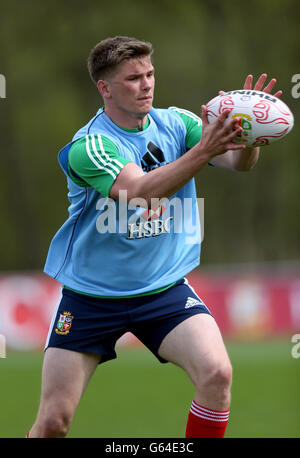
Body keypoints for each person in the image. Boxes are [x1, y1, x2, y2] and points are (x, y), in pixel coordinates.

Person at [27, 36, 282, 438]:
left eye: (149, 74)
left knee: (217, 374)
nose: (146, 84)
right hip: (91, 297)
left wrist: (249, 135)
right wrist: (202, 152)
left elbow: (237, 163)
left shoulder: (177, 123)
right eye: (132, 78)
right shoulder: (91, 146)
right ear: (105, 88)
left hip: (162, 291)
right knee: (54, 423)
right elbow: (140, 192)